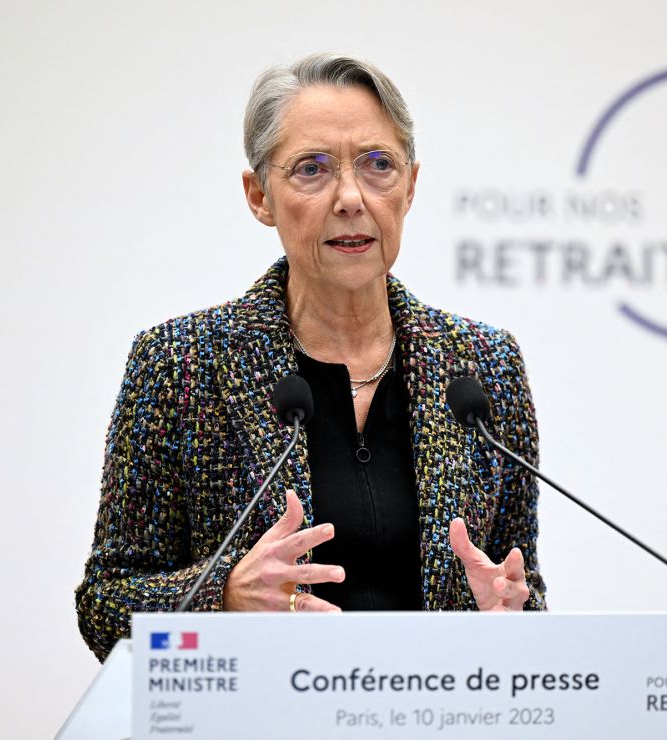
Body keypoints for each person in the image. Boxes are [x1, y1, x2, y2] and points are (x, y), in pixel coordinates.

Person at [75, 52, 546, 661]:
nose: (351, 197)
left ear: (411, 187)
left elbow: (525, 590)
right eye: (312, 169)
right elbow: (104, 607)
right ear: (259, 196)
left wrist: (514, 616)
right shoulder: (181, 363)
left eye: (379, 165)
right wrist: (223, 597)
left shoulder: (484, 368)